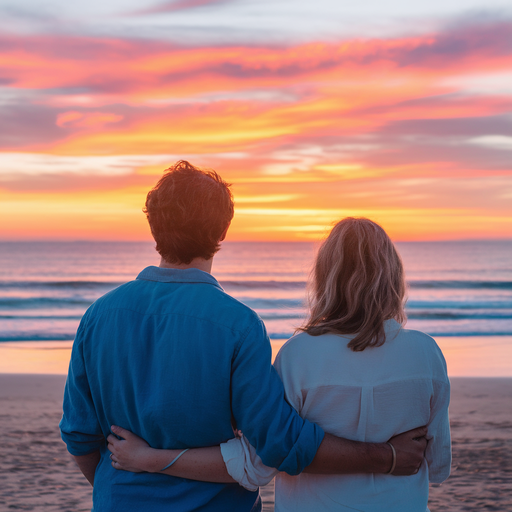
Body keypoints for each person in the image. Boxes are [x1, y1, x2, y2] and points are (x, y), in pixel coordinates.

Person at [60, 162, 427, 512]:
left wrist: (119, 491)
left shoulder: (99, 315)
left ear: (153, 227)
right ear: (222, 232)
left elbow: (79, 434)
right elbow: (278, 443)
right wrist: (387, 456)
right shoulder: (238, 325)